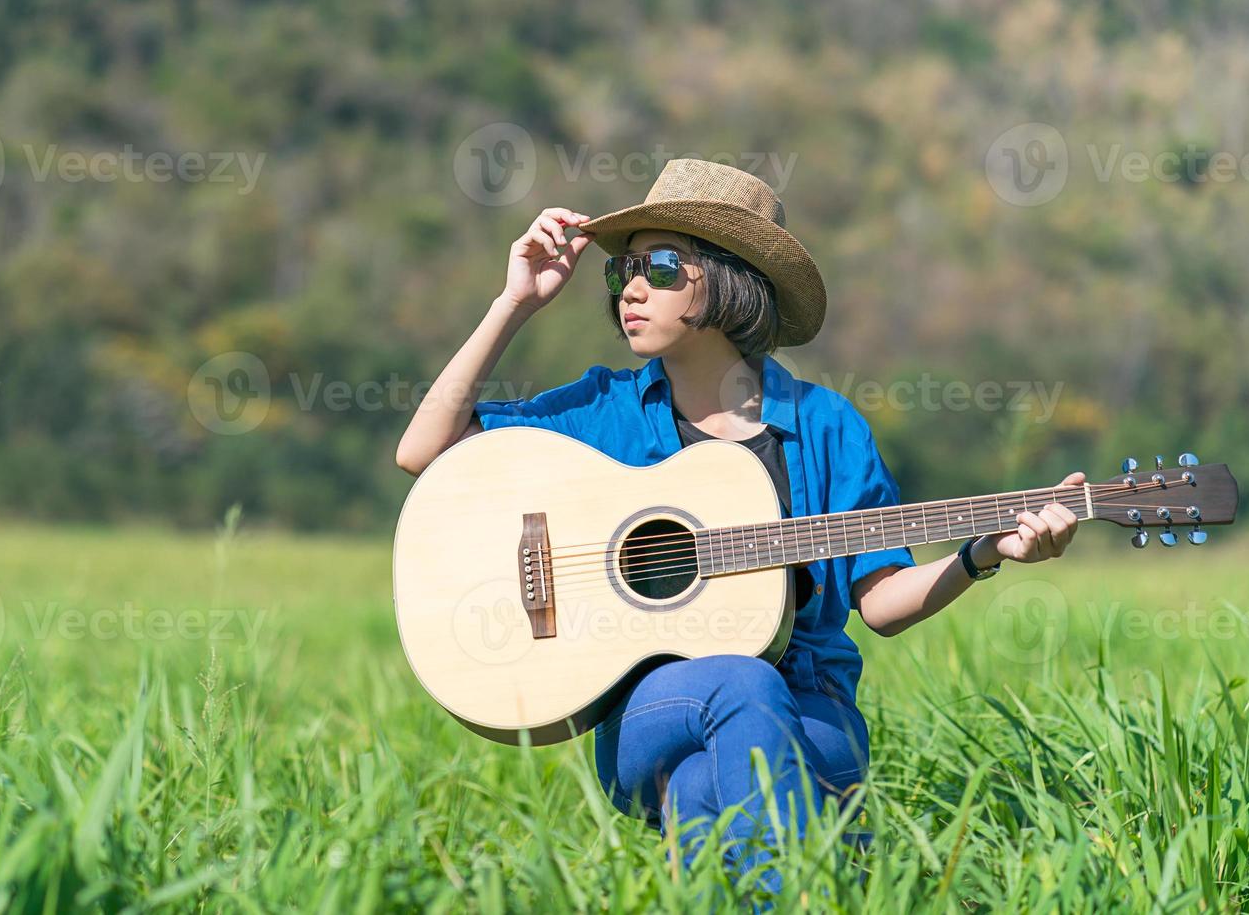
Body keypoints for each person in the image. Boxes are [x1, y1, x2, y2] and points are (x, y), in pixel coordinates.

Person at [395, 158, 1082, 904]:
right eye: (621, 270)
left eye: (659, 267)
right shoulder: (603, 410)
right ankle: (819, 892)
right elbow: (423, 451)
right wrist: (513, 303)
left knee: (699, 789)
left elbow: (880, 602)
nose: (628, 287)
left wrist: (982, 555)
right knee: (741, 682)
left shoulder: (825, 426)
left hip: (814, 705)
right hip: (647, 709)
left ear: (728, 280)